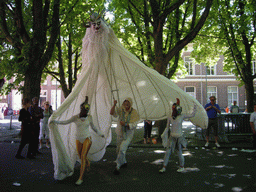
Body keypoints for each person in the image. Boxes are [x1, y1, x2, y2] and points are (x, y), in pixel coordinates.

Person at [52, 96, 104, 185]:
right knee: (80, 156)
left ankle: (81, 178)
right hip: (78, 139)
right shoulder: (75, 117)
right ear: (81, 109)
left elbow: (94, 127)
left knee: (83, 156)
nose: (86, 111)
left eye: (87, 110)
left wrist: (100, 133)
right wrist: (55, 122)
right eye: (85, 109)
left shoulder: (89, 117)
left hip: (87, 138)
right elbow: (66, 122)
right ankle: (88, 162)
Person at [159, 98, 197, 173]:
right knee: (167, 152)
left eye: (175, 109)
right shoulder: (170, 117)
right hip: (172, 136)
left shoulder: (181, 116)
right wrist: (164, 134)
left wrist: (195, 106)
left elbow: (192, 114)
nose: (174, 110)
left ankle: (182, 166)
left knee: (179, 152)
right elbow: (167, 127)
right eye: (173, 109)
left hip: (179, 137)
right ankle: (164, 167)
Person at [110, 98, 140, 175]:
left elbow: (134, 124)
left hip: (128, 134)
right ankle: (124, 162)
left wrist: (126, 124)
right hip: (120, 133)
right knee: (118, 149)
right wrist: (114, 104)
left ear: (130, 103)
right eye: (125, 102)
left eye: (128, 102)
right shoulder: (121, 109)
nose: (126, 104)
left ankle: (118, 166)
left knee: (122, 149)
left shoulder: (134, 112)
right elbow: (112, 113)